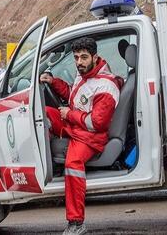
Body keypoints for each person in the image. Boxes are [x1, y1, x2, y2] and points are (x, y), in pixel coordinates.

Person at [40, 37, 123, 235]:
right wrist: (53, 81)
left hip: (90, 137)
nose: (79, 62)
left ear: (95, 57)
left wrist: (69, 114)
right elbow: (74, 95)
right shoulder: (84, 75)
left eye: (84, 57)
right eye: (76, 57)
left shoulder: (106, 86)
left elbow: (97, 123)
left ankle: (76, 223)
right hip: (75, 126)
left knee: (73, 165)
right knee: (41, 113)